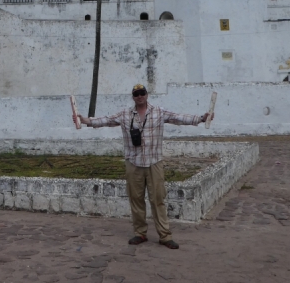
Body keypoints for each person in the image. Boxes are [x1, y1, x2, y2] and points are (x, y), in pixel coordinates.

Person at [77, 83, 211, 249]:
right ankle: (140, 232)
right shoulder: (125, 114)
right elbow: (106, 120)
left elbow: (179, 118)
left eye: (142, 93)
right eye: (136, 94)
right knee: (136, 199)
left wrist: (200, 118)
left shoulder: (159, 112)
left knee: (158, 199)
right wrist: (86, 121)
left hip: (154, 162)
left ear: (147, 94)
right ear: (133, 97)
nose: (139, 96)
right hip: (134, 162)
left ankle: (164, 235)